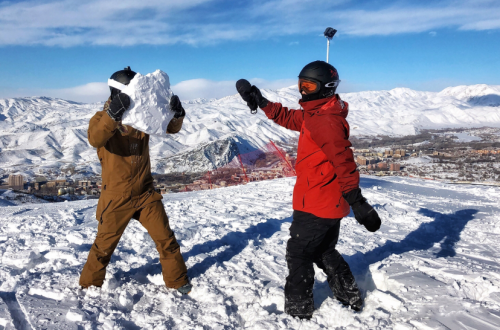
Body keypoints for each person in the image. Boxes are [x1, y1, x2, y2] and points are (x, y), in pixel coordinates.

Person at [236, 61, 381, 319]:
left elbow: (343, 162)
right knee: (323, 250)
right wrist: (262, 102)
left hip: (317, 203)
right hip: (322, 201)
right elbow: (290, 117)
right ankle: (349, 297)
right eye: (300, 84)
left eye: (309, 85)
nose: (303, 91)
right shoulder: (316, 114)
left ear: (326, 88)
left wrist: (357, 201)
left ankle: (298, 312)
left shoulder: (325, 121)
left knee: (299, 253)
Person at [80, 66, 192, 295]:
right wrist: (113, 115)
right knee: (103, 247)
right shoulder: (101, 119)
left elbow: (169, 128)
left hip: (145, 193)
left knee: (166, 240)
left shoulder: (143, 115)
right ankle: (89, 288)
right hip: (116, 197)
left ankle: (177, 281)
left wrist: (177, 114)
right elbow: (95, 138)